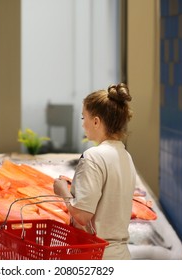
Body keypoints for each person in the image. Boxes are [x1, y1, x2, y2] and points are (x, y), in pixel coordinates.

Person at [53, 83, 136, 260]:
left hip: (96, 255)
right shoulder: (125, 156)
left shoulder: (92, 157)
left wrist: (63, 192)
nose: (83, 125)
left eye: (84, 118)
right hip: (121, 255)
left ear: (96, 121)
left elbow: (82, 216)